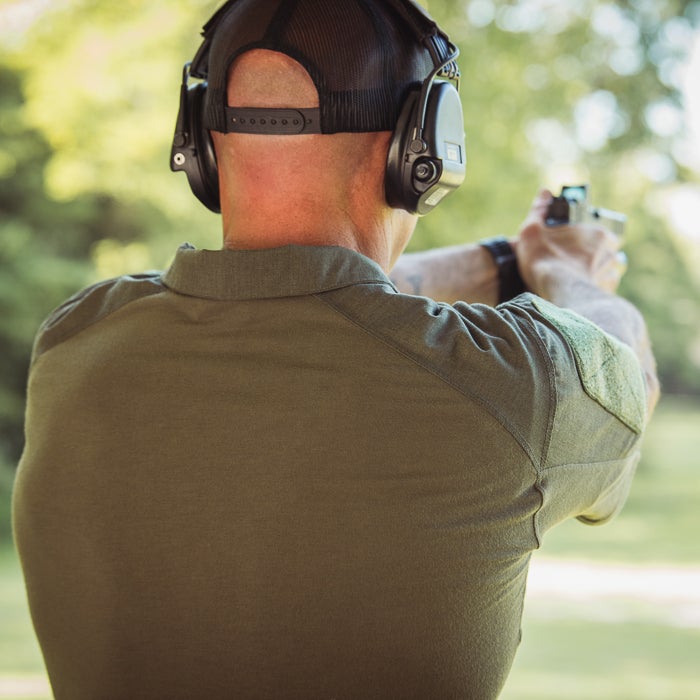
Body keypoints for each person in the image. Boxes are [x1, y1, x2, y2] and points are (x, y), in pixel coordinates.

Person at [13, 1, 659, 699]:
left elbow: (314, 298)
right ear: (422, 150)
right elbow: (626, 376)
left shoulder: (75, 346)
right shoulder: (512, 389)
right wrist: (568, 272)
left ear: (199, 142)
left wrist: (505, 259)